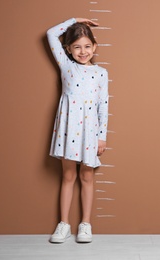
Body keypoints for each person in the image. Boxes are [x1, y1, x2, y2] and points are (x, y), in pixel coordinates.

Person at [46, 18, 109, 243]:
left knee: (87, 176)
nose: (83, 51)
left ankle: (85, 225)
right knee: (68, 175)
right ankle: (63, 224)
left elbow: (104, 105)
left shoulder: (101, 73)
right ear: (68, 50)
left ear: (94, 47)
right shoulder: (66, 66)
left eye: (87, 46)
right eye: (77, 47)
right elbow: (51, 34)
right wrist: (75, 20)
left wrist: (102, 137)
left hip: (90, 132)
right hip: (68, 130)